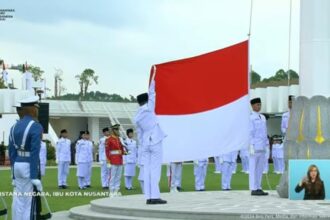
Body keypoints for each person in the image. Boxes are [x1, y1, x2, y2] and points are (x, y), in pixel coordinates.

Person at [8, 96, 43, 220]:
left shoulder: (14, 127)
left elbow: (11, 152)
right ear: (33, 109)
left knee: (18, 199)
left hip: (17, 164)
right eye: (36, 108)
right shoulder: (36, 126)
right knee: (29, 201)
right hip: (28, 166)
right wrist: (34, 176)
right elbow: (34, 153)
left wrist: (12, 175)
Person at [134, 79, 167, 205]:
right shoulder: (149, 108)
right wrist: (154, 78)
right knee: (155, 170)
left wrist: (143, 147)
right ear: (147, 100)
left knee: (147, 170)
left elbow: (140, 134)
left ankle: (148, 197)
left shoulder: (137, 116)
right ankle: (155, 196)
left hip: (146, 144)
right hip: (155, 141)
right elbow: (153, 93)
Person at [249, 97, 269, 196]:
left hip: (262, 146)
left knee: (260, 168)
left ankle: (259, 187)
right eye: (257, 105)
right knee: (253, 168)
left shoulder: (263, 117)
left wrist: (267, 145)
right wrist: (251, 145)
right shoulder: (250, 117)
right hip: (254, 146)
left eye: (260, 104)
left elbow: (265, 132)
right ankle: (253, 188)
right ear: (252, 106)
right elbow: (250, 133)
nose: (259, 106)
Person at [106, 124, 126, 197]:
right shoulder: (109, 139)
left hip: (120, 159)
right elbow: (107, 151)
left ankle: (117, 190)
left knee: (118, 176)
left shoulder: (119, 139)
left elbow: (121, 149)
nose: (118, 131)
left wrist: (125, 152)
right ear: (113, 130)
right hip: (113, 160)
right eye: (116, 130)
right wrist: (108, 161)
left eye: (118, 129)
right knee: (113, 176)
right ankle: (111, 191)